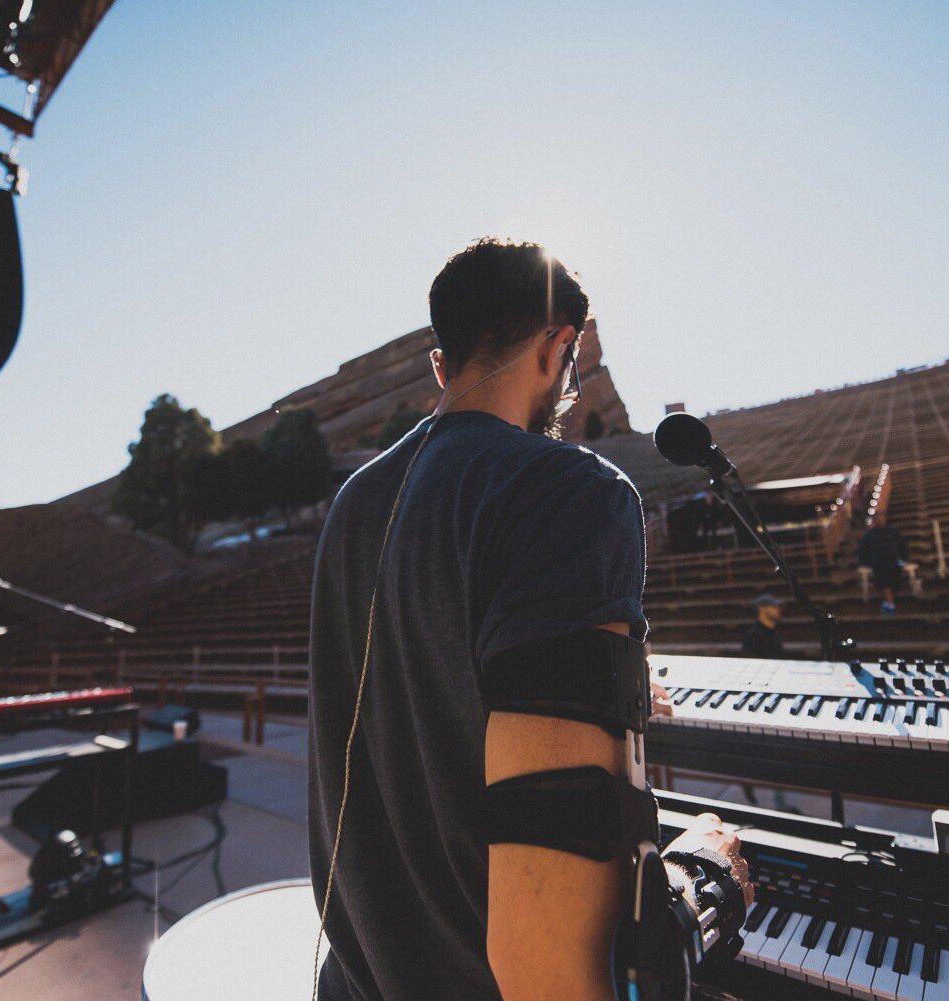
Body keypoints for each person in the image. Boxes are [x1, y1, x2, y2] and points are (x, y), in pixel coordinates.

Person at [307, 239, 753, 1001]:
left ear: (442, 367)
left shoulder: (352, 505)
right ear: (559, 347)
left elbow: (430, 673)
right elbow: (551, 972)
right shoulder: (568, 489)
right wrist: (704, 879)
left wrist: (610, 690)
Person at [857, 513, 910, 615]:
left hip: (893, 561)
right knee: (885, 579)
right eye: (877, 519)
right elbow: (863, 550)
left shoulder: (893, 531)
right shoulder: (869, 535)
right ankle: (889, 603)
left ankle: (891, 602)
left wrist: (904, 559)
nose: (880, 520)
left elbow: (902, 546)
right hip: (878, 563)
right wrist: (866, 563)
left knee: (893, 578)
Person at [739, 593, 787, 658]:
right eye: (774, 606)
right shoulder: (753, 635)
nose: (778, 609)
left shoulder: (775, 632)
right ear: (762, 609)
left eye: (778, 607)